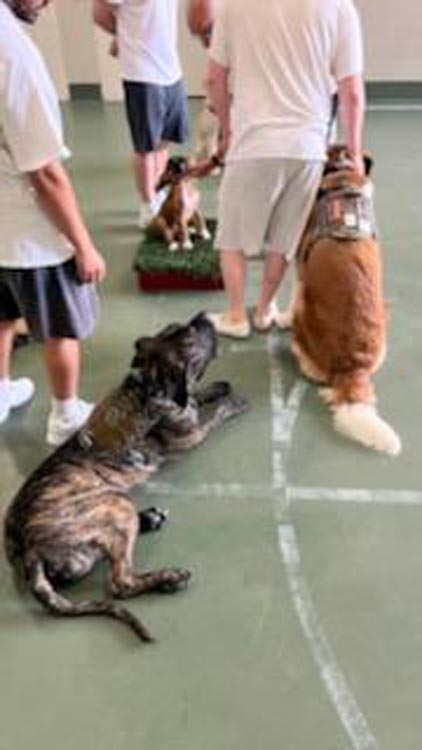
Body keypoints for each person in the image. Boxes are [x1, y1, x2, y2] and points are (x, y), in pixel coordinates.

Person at [204, 0, 366, 338]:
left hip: (252, 141)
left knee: (232, 237)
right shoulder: (339, 7)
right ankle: (265, 310)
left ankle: (236, 315)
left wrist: (227, 130)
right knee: (284, 238)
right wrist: (354, 154)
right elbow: (351, 92)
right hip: (307, 146)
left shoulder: (233, 6)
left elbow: (214, 79)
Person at [0, 0, 106, 445]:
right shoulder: (13, 53)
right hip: (27, 230)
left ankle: (1, 393)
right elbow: (43, 172)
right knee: (62, 324)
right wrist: (83, 245)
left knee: (3, 314)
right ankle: (65, 414)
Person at [93, 0, 190, 229]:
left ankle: (157, 192)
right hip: (142, 73)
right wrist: (125, 34)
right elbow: (99, 13)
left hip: (171, 70)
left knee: (164, 141)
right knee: (145, 146)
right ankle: (147, 205)